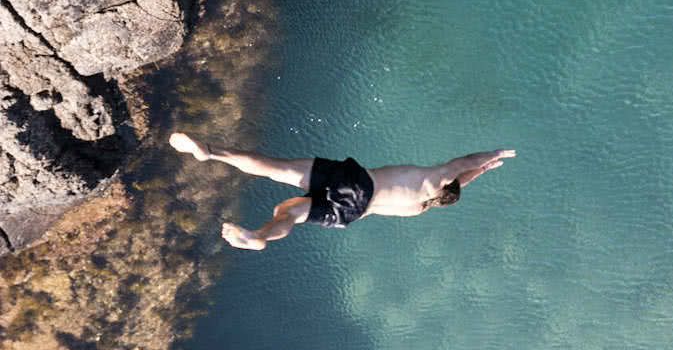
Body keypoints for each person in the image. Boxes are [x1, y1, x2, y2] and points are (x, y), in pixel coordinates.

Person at [169, 131, 515, 250]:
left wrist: (490, 160)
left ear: (446, 185)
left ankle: (211, 152)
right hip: (350, 213)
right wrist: (478, 174)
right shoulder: (418, 208)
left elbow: (464, 164)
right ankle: (259, 235)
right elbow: (458, 185)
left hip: (356, 182)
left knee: (276, 168)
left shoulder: (435, 177)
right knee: (291, 212)